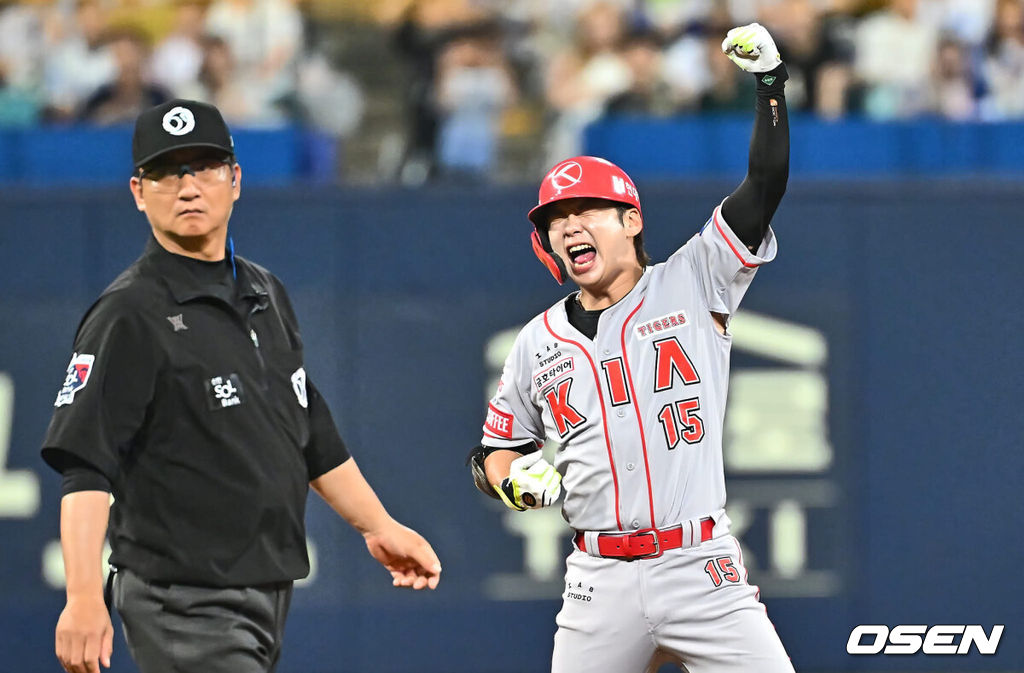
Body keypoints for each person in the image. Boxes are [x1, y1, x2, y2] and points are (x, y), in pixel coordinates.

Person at [41, 99, 442, 673]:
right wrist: (82, 596)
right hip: (181, 597)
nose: (187, 186)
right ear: (137, 191)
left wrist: (378, 526)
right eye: (166, 172)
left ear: (235, 181)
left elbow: (310, 433)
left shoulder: (265, 291)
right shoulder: (129, 313)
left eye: (203, 167)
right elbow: (85, 464)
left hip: (263, 588)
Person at [467, 24, 794, 673]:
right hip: (599, 577)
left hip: (700, 563)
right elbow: (491, 453)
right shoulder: (537, 341)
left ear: (632, 220)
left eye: (587, 209)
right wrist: (514, 482)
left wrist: (769, 87)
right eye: (556, 219)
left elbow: (763, 187)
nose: (569, 225)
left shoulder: (693, 279)